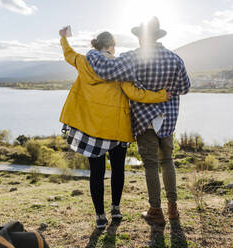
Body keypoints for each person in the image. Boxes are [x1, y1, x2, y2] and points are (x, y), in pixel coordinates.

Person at [58, 27, 172, 229]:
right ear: (111, 46)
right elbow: (135, 93)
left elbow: (68, 54)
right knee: (118, 170)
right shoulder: (121, 67)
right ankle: (116, 209)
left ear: (96, 45)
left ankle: (100, 217)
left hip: (91, 130)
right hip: (117, 130)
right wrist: (161, 96)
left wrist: (63, 37)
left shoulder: (84, 62)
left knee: (96, 172)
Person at [86, 17, 191, 226]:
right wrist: (166, 92)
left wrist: (92, 53)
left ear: (140, 38)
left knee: (151, 165)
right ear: (158, 36)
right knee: (167, 161)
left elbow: (106, 71)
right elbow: (185, 87)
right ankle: (173, 209)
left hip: (144, 120)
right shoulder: (175, 59)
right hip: (168, 120)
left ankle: (155, 211)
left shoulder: (131, 58)